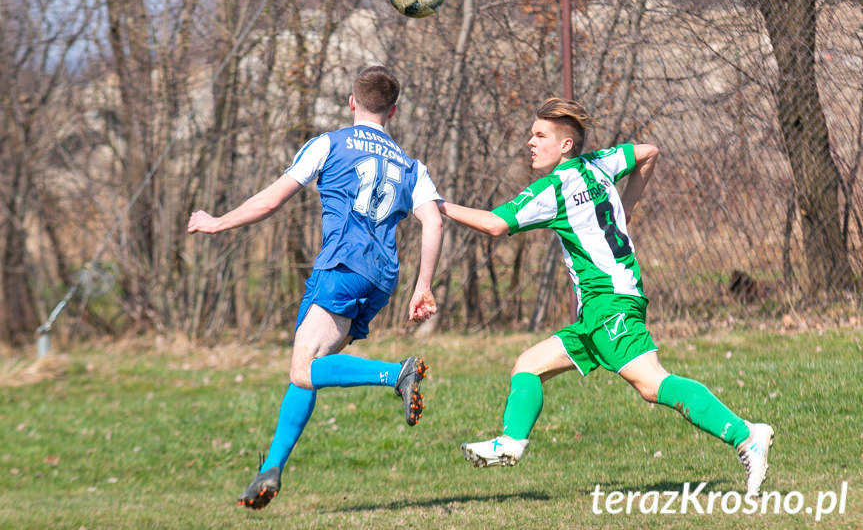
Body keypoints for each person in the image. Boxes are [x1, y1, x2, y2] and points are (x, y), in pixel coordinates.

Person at [438, 97, 774, 497]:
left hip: (608, 301)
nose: (530, 142)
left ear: (565, 145)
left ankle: (746, 435)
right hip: (603, 305)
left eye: (539, 135)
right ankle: (511, 442)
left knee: (652, 384)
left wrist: (436, 205)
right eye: (532, 134)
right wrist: (625, 208)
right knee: (528, 364)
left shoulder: (553, 188)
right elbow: (648, 153)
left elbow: (495, 224)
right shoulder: (600, 163)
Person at [187, 66, 443, 510]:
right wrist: (423, 286)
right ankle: (272, 468)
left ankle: (394, 374)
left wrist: (217, 223)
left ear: (351, 102)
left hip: (342, 265)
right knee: (309, 368)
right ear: (394, 111)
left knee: (304, 368)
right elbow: (435, 220)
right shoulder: (411, 164)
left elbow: (271, 200)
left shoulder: (330, 143)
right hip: (381, 278)